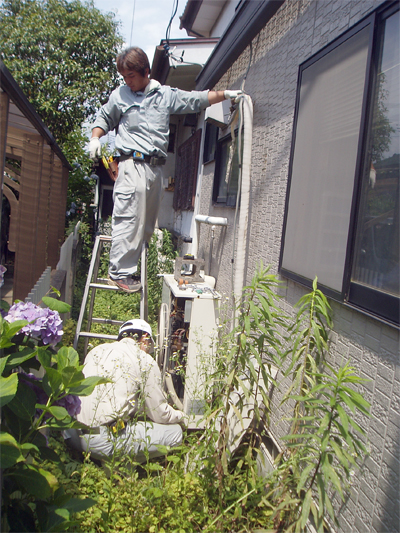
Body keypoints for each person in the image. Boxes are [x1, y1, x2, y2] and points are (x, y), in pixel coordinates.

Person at [89, 46, 243, 293]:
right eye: (124, 77)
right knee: (129, 219)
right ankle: (119, 272)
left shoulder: (164, 95)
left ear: (146, 72)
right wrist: (96, 138)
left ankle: (128, 268)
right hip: (132, 165)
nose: (127, 82)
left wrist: (225, 94)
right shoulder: (121, 95)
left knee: (147, 225)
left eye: (131, 76)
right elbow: (104, 118)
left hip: (155, 170)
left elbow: (196, 99)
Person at [64, 319, 185, 463]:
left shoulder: (95, 351)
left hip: (73, 435)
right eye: (149, 347)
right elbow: (160, 414)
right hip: (103, 441)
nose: (148, 351)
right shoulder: (144, 360)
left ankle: (114, 467)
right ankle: (123, 470)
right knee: (176, 433)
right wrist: (182, 416)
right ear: (145, 338)